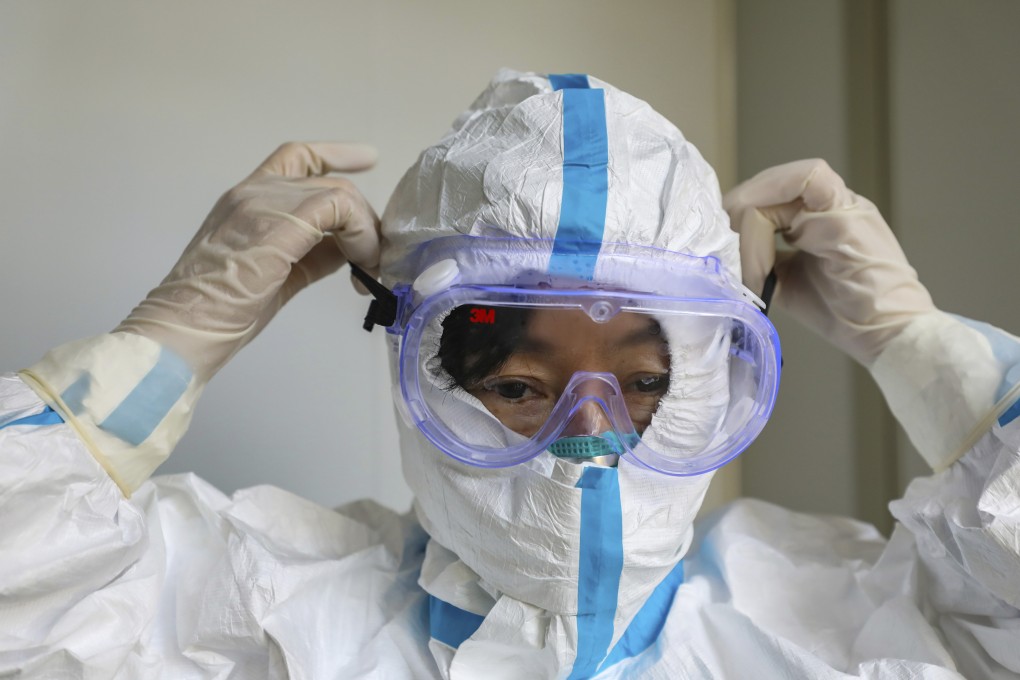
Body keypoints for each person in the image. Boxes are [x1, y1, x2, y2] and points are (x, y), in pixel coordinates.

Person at [1, 70, 1018, 679]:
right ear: (427, 374)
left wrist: (929, 354)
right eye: (523, 387)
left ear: (716, 379)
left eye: (646, 383)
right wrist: (169, 338)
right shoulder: (262, 602)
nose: (590, 434)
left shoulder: (831, 616)